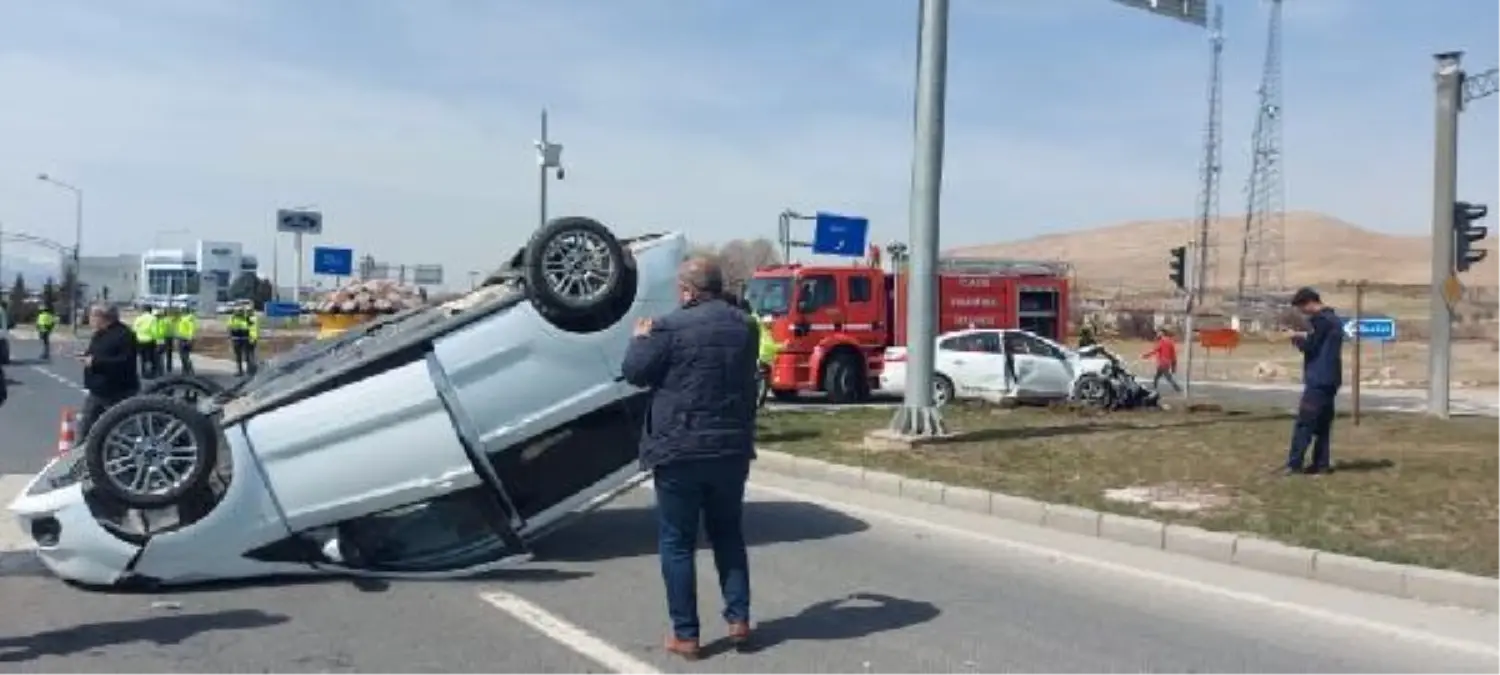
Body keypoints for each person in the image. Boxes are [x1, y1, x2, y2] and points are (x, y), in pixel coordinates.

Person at [620, 257, 759, 661]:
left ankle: (687, 635)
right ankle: (739, 620)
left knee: (677, 542)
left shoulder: (668, 327)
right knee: (728, 533)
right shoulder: (745, 327)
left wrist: (641, 337)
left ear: (687, 291)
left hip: (680, 450)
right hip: (731, 449)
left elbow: (634, 372)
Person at [1285, 287, 1344, 476]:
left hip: (1318, 379)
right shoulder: (1334, 319)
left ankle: (1294, 463)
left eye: (1302, 308)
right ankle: (1321, 463)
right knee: (1323, 425)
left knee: (1305, 422)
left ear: (1310, 303)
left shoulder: (1320, 321)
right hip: (1331, 378)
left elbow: (1311, 346)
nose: (1302, 313)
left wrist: (1295, 338)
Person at [78, 305, 140, 440]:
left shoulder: (124, 335)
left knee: (121, 428)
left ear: (102, 317)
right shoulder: (100, 333)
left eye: (92, 317)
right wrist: (86, 355)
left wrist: (95, 362)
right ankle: (80, 456)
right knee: (87, 427)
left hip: (118, 391)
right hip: (98, 390)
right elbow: (96, 351)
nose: (89, 320)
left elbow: (125, 361)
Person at [1142, 328, 1181, 393]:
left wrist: (1146, 355)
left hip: (1162, 363)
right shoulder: (1170, 341)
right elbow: (1173, 354)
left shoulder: (1162, 342)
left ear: (1162, 334)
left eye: (1159, 333)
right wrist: (1174, 364)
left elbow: (1155, 350)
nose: (1157, 334)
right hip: (1167, 362)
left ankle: (1177, 388)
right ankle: (1154, 387)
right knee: (1158, 376)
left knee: (1166, 377)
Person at [228, 307, 260, 376]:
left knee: (247, 355)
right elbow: (229, 328)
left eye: (241, 311)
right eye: (238, 311)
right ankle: (240, 371)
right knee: (238, 356)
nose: (239, 312)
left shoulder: (247, 318)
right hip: (236, 339)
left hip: (245, 339)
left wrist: (252, 338)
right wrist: (230, 337)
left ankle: (249, 370)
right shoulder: (232, 318)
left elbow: (252, 328)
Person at [132, 307, 160, 379]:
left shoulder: (139, 318)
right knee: (149, 358)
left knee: (142, 358)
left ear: (144, 310)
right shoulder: (153, 318)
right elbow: (154, 330)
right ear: (150, 310)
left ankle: (143, 373)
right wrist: (157, 340)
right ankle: (149, 374)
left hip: (139, 340)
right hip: (149, 340)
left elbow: (134, 329)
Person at [175, 306, 198, 375]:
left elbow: (191, 329)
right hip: (183, 338)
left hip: (185, 339)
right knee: (183, 356)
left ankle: (189, 371)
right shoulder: (184, 318)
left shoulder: (188, 319)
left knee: (184, 356)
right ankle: (185, 370)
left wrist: (190, 339)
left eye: (182, 311)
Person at [156, 305, 177, 374]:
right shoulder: (171, 320)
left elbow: (161, 330)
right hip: (170, 337)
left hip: (163, 337)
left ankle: (161, 368)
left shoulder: (162, 321)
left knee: (160, 353)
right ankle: (169, 368)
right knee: (169, 354)